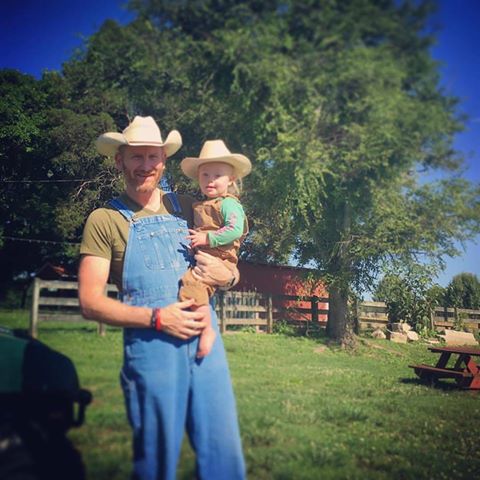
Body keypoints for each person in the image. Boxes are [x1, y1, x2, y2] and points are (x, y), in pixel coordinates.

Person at [78, 116, 245, 480]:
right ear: (119, 160)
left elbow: (227, 257)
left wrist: (229, 277)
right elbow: (90, 302)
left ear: (163, 160)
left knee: (224, 457)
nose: (145, 166)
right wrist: (157, 318)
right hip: (151, 348)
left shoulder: (188, 206)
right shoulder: (104, 220)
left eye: (153, 156)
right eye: (136, 157)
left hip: (205, 345)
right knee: (156, 461)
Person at [178, 140, 251, 358]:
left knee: (192, 284)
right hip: (208, 257)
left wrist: (206, 237)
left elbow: (235, 229)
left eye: (217, 175)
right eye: (205, 175)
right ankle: (198, 329)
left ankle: (205, 330)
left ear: (231, 179)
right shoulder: (202, 204)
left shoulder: (228, 203)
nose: (210, 180)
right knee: (195, 288)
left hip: (220, 258)